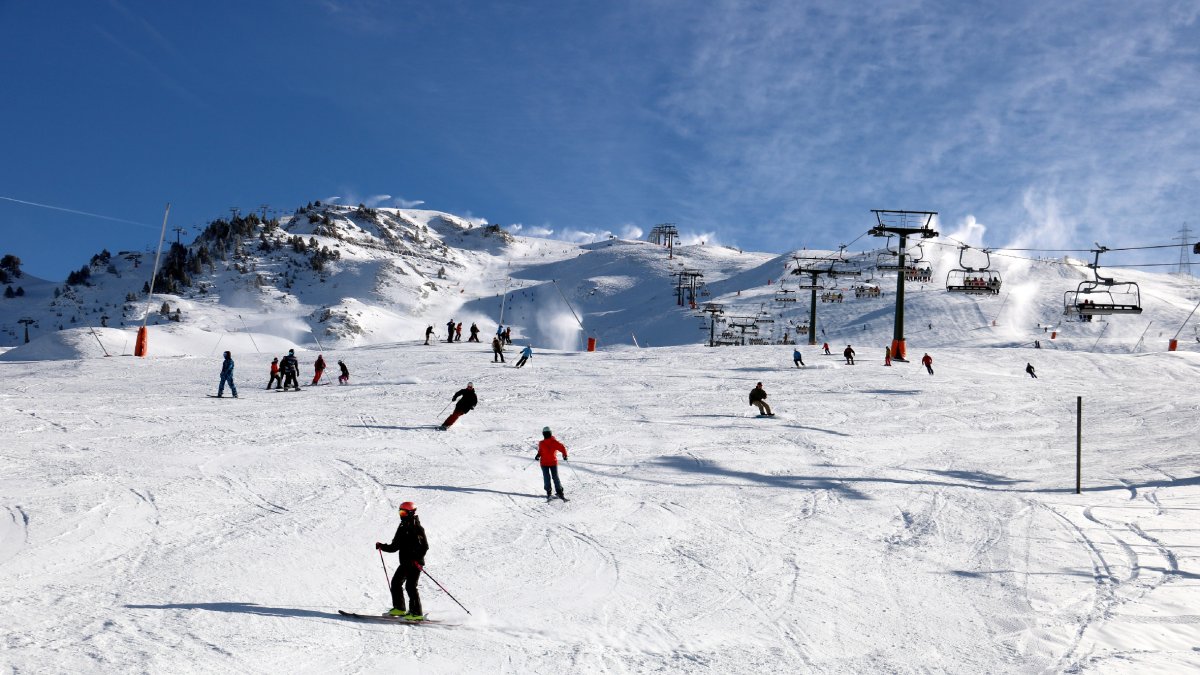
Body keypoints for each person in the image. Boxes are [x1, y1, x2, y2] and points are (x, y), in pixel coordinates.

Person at [375, 501, 429, 619]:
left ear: (410, 513)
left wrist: (416, 559)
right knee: (396, 583)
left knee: (410, 587)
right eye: (400, 512)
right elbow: (395, 546)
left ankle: (416, 613)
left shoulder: (417, 528)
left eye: (404, 512)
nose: (401, 515)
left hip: (415, 563)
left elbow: (424, 547)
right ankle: (399, 609)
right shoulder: (402, 527)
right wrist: (382, 546)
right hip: (405, 563)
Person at [535, 426, 568, 500]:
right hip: (545, 463)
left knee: (553, 477)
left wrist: (565, 455)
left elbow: (562, 448)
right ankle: (550, 492)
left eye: (547, 433)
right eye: (545, 433)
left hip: (552, 463)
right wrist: (538, 455)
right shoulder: (542, 443)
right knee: (549, 477)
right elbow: (541, 451)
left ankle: (558, 492)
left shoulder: (554, 442)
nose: (546, 435)